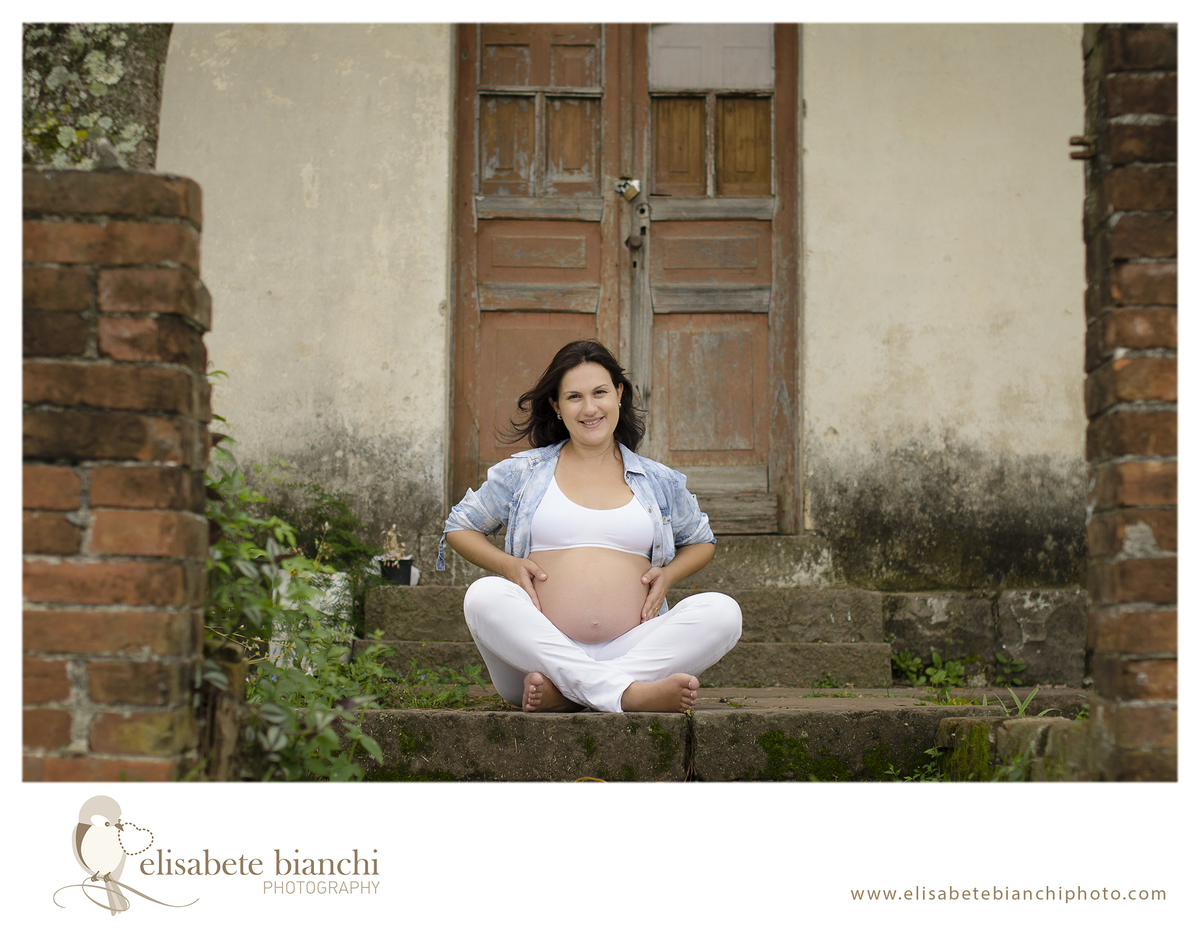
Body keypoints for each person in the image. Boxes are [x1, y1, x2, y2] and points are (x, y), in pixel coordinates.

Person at [438, 339, 742, 713]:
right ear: (557, 406)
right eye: (574, 397)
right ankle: (625, 695)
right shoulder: (524, 472)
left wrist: (669, 575)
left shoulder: (658, 480)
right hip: (537, 659)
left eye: (599, 392)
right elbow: (460, 526)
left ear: (618, 394)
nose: (589, 408)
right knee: (483, 595)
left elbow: (701, 541)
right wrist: (508, 566)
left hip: (623, 653)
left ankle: (572, 693)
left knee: (723, 612)